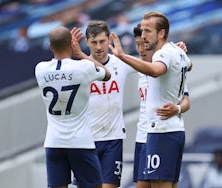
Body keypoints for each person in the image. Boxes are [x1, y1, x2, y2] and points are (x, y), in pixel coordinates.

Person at [109, 11, 192, 188]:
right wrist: (179, 52)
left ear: (161, 33)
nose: (143, 36)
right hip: (163, 131)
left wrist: (122, 55)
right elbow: (188, 65)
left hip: (162, 131)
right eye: (142, 32)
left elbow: (156, 70)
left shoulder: (163, 56)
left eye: (147, 31)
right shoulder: (174, 52)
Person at [35, 26, 111, 188]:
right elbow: (107, 74)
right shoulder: (83, 67)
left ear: (50, 46)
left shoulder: (40, 69)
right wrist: (80, 54)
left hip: (54, 142)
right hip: (80, 142)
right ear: (71, 44)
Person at [71, 20, 136, 188]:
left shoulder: (120, 62)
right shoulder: (79, 68)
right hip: (86, 140)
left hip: (113, 139)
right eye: (94, 42)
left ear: (109, 40)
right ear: (86, 42)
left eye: (102, 41)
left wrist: (174, 51)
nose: (99, 47)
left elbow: (150, 64)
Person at [132, 23, 191, 188]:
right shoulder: (137, 66)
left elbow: (186, 100)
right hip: (143, 135)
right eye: (138, 44)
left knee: (163, 183)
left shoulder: (169, 66)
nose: (141, 49)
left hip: (161, 132)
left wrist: (177, 109)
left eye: (144, 44)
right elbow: (103, 66)